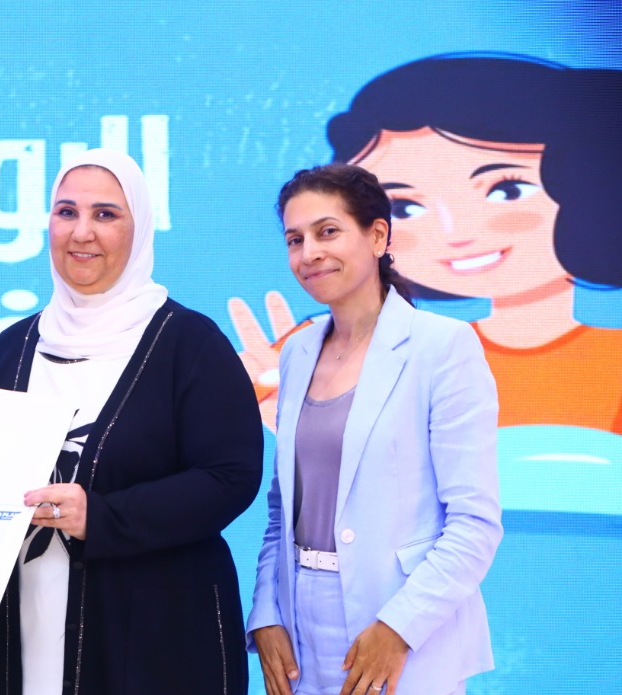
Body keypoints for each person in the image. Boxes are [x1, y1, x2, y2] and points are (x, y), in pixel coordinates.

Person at [0, 149, 264, 695]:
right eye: (66, 212)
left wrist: (105, 517)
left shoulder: (189, 343)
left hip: (149, 662)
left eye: (105, 214)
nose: (81, 231)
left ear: (138, 227)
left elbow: (231, 474)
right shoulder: (12, 348)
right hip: (17, 649)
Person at [246, 163, 503, 695]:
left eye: (328, 231)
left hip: (396, 632)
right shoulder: (298, 351)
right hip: (301, 631)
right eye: (295, 239)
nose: (309, 252)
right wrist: (267, 615)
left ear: (379, 236)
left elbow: (474, 524)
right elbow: (281, 510)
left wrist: (398, 628)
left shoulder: (443, 348)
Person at [232, 53, 622, 433]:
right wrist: (304, 428)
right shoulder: (376, 353)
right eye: (406, 207)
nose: (456, 231)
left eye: (507, 190)